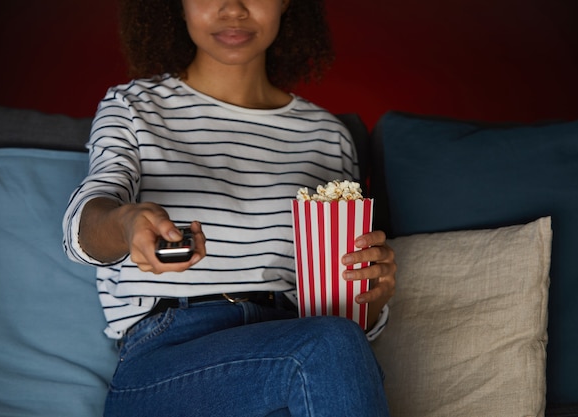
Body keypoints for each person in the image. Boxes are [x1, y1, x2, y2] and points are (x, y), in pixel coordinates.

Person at [63, 0, 396, 415]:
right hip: (169, 356)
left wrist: (371, 297)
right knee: (327, 346)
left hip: (298, 340)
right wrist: (127, 224)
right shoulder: (133, 107)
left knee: (332, 345)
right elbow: (86, 226)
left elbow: (337, 309)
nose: (233, 9)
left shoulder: (326, 135)